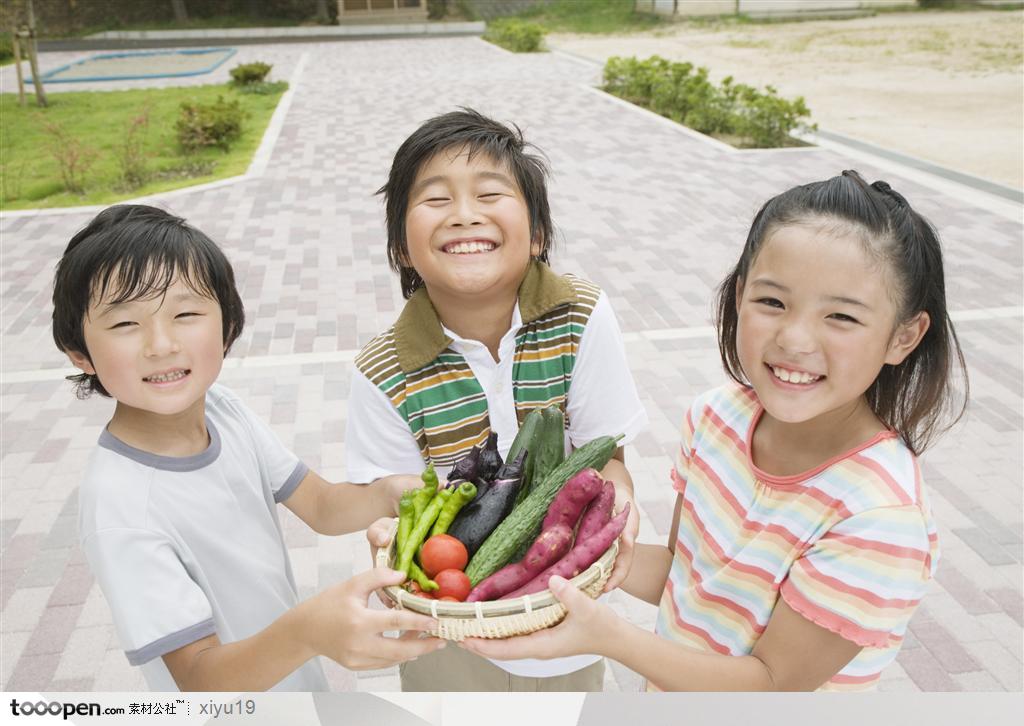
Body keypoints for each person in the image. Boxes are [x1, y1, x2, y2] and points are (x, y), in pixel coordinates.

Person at [461, 170, 968, 691]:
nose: (794, 339)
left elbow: (770, 684)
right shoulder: (717, 418)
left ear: (904, 337)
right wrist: (563, 557)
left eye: (841, 316)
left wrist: (606, 637)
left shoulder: (879, 518)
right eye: (773, 302)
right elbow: (684, 575)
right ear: (741, 295)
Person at [52, 204, 445, 692]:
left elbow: (322, 507)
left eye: (186, 313)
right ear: (79, 353)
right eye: (125, 325)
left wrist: (389, 492)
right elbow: (198, 679)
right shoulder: (121, 506)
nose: (161, 344)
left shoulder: (222, 409)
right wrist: (309, 633)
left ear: (227, 324)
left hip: (296, 695)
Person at [350, 109, 648, 691]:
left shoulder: (582, 315)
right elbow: (398, 508)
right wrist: (388, 533)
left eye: (490, 193)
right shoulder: (380, 370)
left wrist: (623, 512)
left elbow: (605, 458)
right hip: (445, 633)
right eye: (435, 199)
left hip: (563, 616)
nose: (465, 213)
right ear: (401, 248)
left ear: (536, 234)